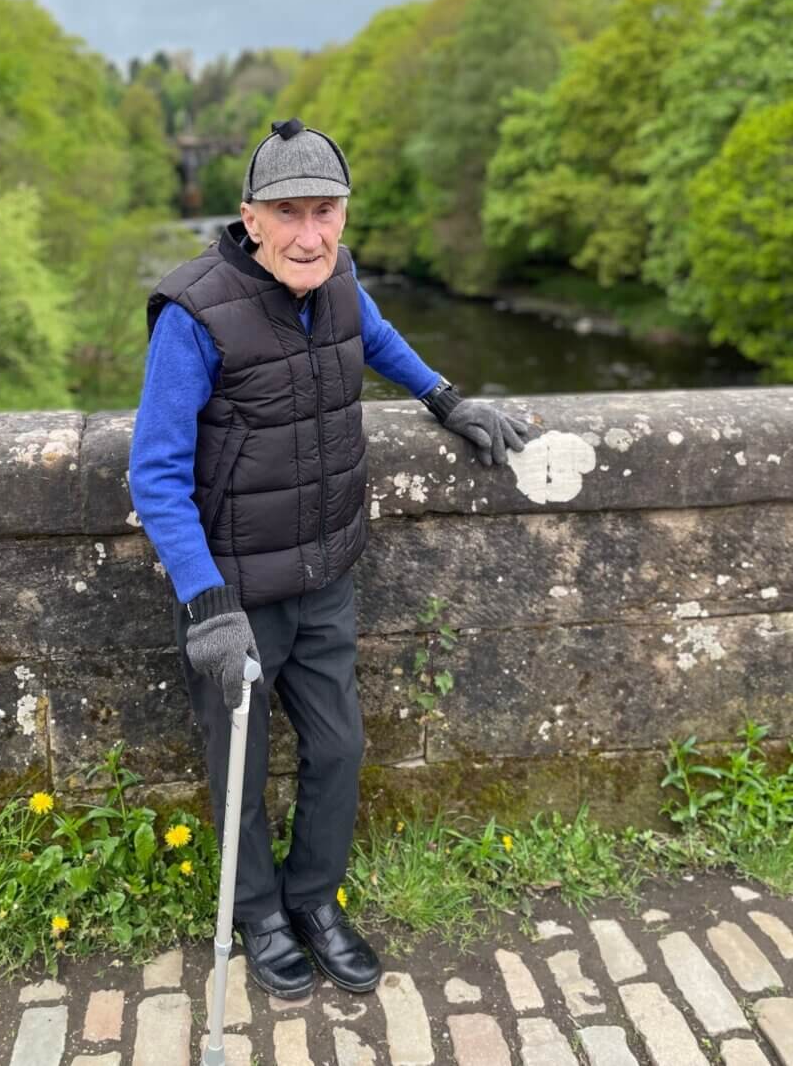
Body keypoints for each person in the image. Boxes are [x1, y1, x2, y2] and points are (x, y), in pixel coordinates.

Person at [129, 117, 530, 999]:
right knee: (239, 760)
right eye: (290, 213)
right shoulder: (194, 313)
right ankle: (261, 915)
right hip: (232, 587)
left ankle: (314, 902)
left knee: (339, 746)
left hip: (325, 571)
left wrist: (446, 399)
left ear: (342, 215)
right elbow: (154, 473)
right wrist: (205, 603)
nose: (311, 234)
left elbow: (375, 341)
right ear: (252, 217)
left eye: (327, 211)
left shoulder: (340, 277)